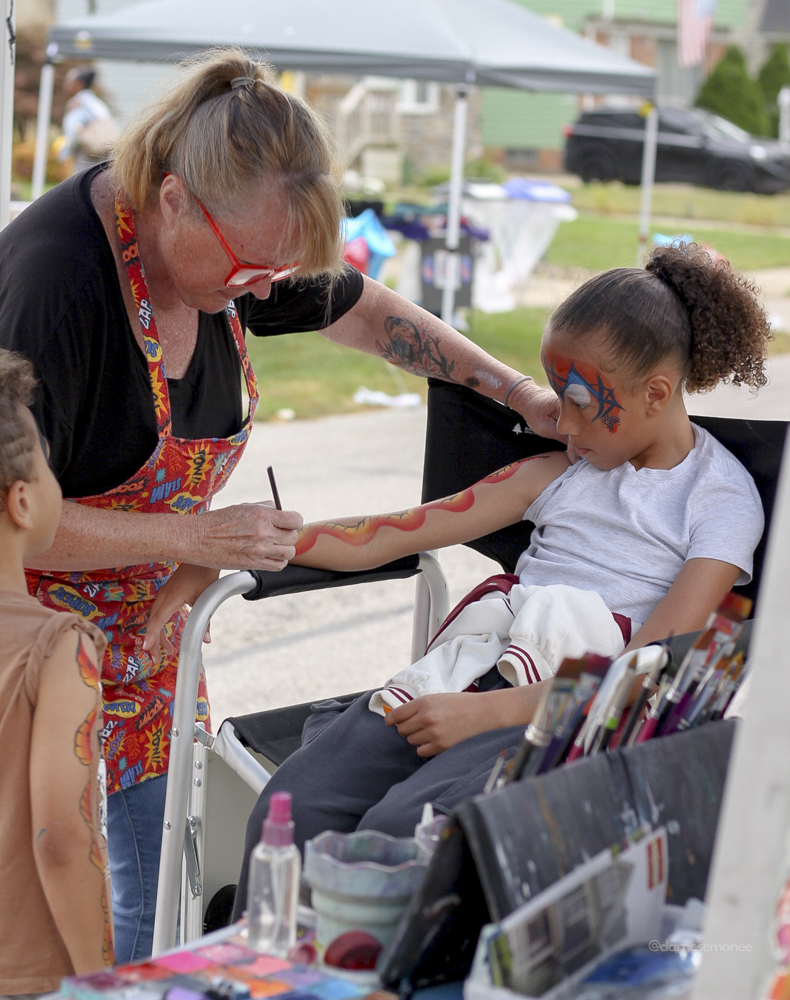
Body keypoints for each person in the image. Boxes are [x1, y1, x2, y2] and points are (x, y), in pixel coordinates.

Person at [0, 48, 561, 962]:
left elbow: (360, 311)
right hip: (27, 636)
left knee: (148, 875)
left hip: (152, 631)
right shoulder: (53, 284)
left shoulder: (234, 243)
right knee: (41, 890)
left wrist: (512, 392)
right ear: (171, 200)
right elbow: (8, 516)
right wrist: (198, 535)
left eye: (277, 272)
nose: (266, 292)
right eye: (251, 271)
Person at [234, 243, 769, 915]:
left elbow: (651, 667)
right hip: (466, 670)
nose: (558, 423)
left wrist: (490, 711)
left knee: (402, 838)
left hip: (564, 710)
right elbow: (395, 531)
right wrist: (252, 540)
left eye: (576, 402)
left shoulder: (718, 502)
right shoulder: (563, 472)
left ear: (656, 393)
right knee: (292, 810)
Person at [0, 350, 113, 994]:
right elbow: (63, 837)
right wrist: (104, 982)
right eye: (46, 460)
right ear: (22, 500)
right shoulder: (60, 646)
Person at [56, 67, 118, 174]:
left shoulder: (78, 104)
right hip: (104, 155)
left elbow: (72, 130)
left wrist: (65, 152)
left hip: (86, 156)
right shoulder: (97, 103)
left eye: (69, 81)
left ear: (79, 84)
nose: (65, 84)